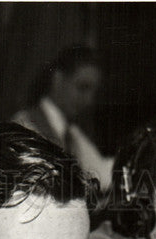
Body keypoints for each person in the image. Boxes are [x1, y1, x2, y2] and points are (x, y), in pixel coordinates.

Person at [13, 45, 114, 190]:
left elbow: (102, 174)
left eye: (93, 92)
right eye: (82, 88)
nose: (89, 100)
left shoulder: (72, 133)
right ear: (58, 79)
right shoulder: (23, 126)